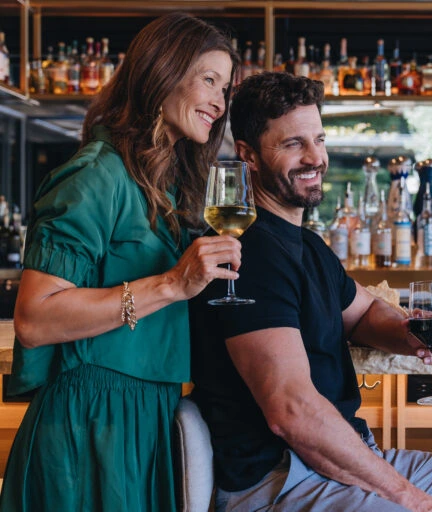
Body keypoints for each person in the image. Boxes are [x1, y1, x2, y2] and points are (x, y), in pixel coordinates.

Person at [189, 71, 432, 512]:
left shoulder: (307, 246)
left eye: (320, 139)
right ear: (248, 156)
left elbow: (364, 312)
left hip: (348, 456)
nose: (315, 157)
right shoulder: (247, 253)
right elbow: (291, 412)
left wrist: (410, 332)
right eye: (293, 144)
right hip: (281, 480)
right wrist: (414, 501)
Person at [0, 13, 241, 512]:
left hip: (147, 415)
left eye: (226, 88)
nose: (220, 102)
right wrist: (173, 284)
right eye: (209, 80)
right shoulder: (95, 176)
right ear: (163, 71)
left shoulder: (168, 187)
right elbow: (34, 319)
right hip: (89, 422)